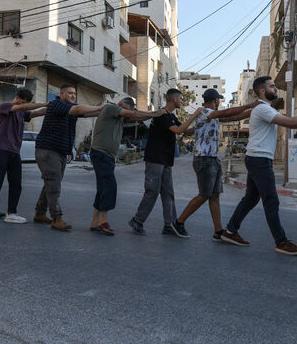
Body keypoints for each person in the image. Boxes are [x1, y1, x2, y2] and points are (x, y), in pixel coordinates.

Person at [220, 76, 297, 254]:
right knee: (271, 200)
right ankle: (281, 241)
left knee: (251, 199)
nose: (276, 89)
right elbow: (289, 122)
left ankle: (230, 231)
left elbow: (292, 122)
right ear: (262, 90)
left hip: (257, 158)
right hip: (259, 160)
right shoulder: (262, 109)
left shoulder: (265, 109)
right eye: (272, 86)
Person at [169, 90, 259, 239]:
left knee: (215, 196)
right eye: (219, 100)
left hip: (212, 159)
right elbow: (226, 112)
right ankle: (179, 222)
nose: (219, 103)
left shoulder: (212, 115)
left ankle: (218, 231)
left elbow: (231, 117)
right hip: (204, 159)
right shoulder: (205, 112)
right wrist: (250, 105)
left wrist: (252, 111)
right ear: (216, 100)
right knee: (204, 194)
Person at [127, 89, 202, 235]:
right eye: (181, 98)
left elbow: (186, 131)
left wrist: (199, 124)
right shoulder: (161, 115)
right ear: (174, 99)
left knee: (168, 193)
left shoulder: (171, 116)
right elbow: (178, 130)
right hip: (155, 159)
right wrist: (194, 114)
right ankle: (137, 220)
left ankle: (169, 225)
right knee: (152, 191)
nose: (182, 101)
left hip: (166, 160)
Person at [33, 84, 105, 231]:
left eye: (74, 94)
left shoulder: (71, 109)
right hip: (48, 150)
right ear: (62, 94)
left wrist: (105, 111)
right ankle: (57, 218)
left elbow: (87, 113)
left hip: (59, 151)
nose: (73, 96)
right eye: (70, 93)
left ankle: (40, 213)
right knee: (54, 184)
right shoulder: (57, 104)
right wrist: (99, 107)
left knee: (51, 182)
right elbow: (78, 109)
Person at [88, 98, 164, 235]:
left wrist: (153, 115)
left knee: (103, 188)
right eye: (126, 110)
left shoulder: (120, 117)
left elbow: (136, 115)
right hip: (101, 153)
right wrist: (155, 113)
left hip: (107, 156)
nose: (127, 113)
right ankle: (102, 221)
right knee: (110, 186)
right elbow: (133, 114)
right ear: (121, 105)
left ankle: (94, 222)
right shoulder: (111, 108)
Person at [0, 88, 47, 223]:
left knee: (16, 184)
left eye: (25, 103)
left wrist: (50, 108)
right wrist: (44, 103)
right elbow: (22, 107)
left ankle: (11, 213)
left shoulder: (22, 111)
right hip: (0, 149)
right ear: (16, 98)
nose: (23, 105)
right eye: (22, 102)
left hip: (15, 152)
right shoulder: (5, 106)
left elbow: (35, 113)